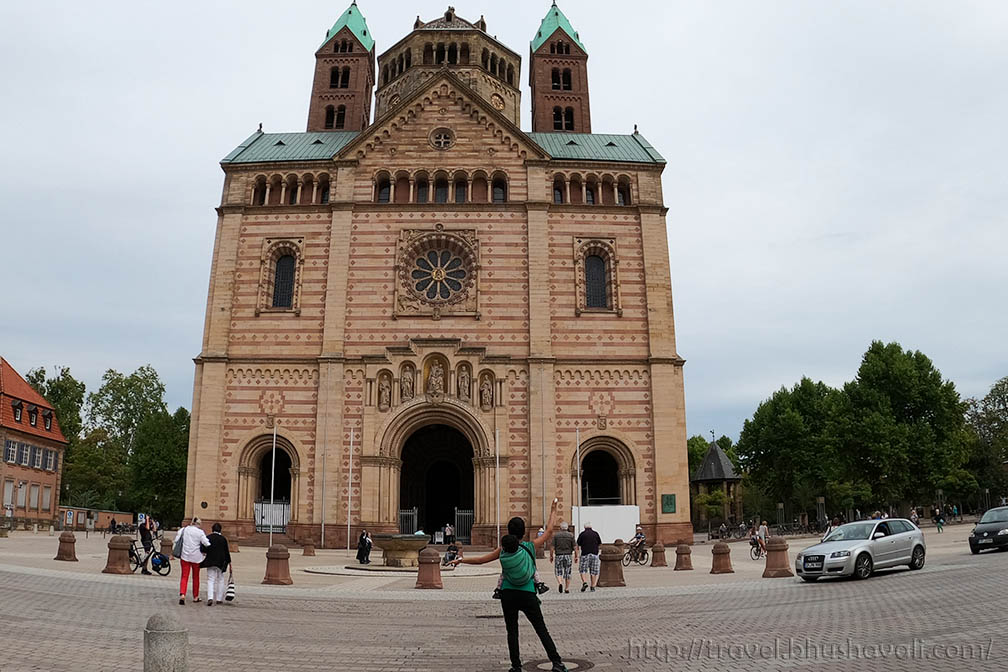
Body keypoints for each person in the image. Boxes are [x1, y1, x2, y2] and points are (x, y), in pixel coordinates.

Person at [451, 498, 567, 672]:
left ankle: (516, 666)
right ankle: (557, 663)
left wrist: (461, 560)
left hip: (508, 594)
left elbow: (481, 560)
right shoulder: (530, 546)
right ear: (523, 532)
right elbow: (549, 531)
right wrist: (553, 509)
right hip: (528, 594)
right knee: (541, 630)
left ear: (509, 531)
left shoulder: (503, 550)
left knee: (512, 632)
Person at [173, 516, 210, 605]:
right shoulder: (200, 532)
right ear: (199, 524)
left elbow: (176, 540)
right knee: (196, 577)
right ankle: (195, 596)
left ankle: (182, 594)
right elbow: (207, 543)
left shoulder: (184, 530)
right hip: (196, 558)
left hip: (185, 556)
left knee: (184, 576)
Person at [201, 523, 232, 606]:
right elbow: (226, 552)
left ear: (212, 529)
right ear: (220, 530)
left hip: (210, 561)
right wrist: (229, 562)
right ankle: (219, 599)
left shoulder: (208, 538)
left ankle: (210, 597)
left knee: (211, 580)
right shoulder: (223, 539)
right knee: (220, 579)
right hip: (221, 563)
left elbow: (203, 549)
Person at [576, 521, 602, 592]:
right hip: (594, 554)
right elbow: (599, 543)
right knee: (593, 571)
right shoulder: (595, 534)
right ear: (591, 527)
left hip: (585, 554)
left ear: (584, 527)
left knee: (583, 570)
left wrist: (577, 554)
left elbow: (578, 544)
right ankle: (593, 586)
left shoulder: (582, 534)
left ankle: (584, 582)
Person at [550, 521, 576, 594]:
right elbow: (575, 546)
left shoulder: (556, 535)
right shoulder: (571, 535)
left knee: (558, 571)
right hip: (568, 555)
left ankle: (560, 583)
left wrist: (551, 556)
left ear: (560, 528)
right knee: (568, 571)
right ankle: (567, 588)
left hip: (559, 555)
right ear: (567, 528)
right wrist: (576, 556)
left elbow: (552, 546)